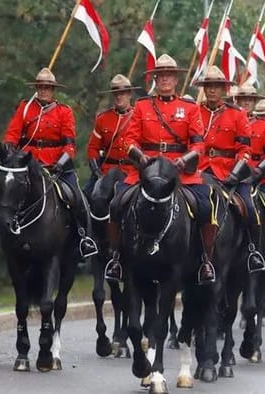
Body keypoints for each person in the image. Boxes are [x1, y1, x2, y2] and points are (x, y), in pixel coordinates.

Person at [104, 54, 215, 283]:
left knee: (205, 206)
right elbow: (127, 140)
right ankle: (115, 258)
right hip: (145, 171)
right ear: (155, 78)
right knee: (116, 203)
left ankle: (205, 260)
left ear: (175, 79)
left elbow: (199, 143)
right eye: (161, 75)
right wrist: (140, 156)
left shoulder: (189, 108)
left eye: (169, 75)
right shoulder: (143, 106)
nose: (165, 79)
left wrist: (185, 160)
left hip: (179, 172)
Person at [0, 67, 98, 258]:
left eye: (47, 87)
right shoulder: (25, 108)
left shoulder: (64, 111)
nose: (43, 90)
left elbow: (69, 145)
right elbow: (12, 134)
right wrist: (9, 152)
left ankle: (83, 237)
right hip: (26, 163)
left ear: (53, 89)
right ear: (36, 87)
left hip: (55, 164)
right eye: (40, 86)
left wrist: (61, 163)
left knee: (76, 196)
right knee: (1, 192)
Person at [195, 66, 265, 274]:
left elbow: (245, 149)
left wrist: (235, 173)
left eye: (216, 86)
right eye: (209, 86)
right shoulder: (195, 111)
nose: (212, 90)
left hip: (229, 173)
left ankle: (253, 250)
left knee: (250, 209)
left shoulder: (237, 115)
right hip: (199, 171)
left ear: (224, 89)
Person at [233, 85, 265, 264]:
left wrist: (258, 171)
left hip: (260, 175)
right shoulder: (231, 119)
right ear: (236, 101)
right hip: (232, 172)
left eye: (250, 99)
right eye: (243, 99)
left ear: (254, 102)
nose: (247, 102)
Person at [84, 74, 140, 198]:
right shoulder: (103, 118)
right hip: (106, 171)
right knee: (86, 197)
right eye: (116, 93)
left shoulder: (138, 118)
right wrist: (97, 172)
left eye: (123, 93)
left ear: (129, 94)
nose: (119, 96)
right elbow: (92, 148)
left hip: (132, 171)